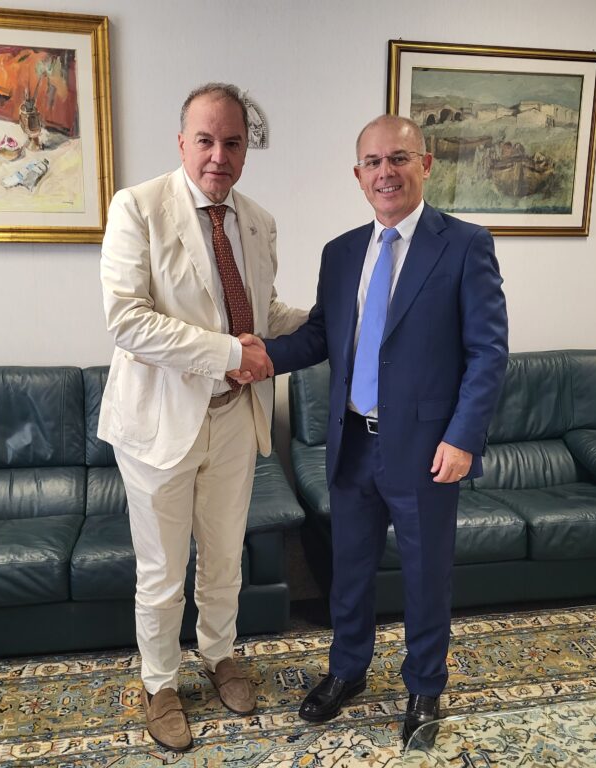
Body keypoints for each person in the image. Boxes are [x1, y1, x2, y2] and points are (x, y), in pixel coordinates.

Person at [262, 114, 508, 746]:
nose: (386, 172)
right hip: (351, 441)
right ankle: (347, 671)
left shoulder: (465, 245)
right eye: (373, 162)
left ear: (425, 164)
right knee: (349, 570)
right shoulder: (342, 252)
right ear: (358, 174)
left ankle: (424, 685)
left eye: (399, 158)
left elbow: (487, 352)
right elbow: (322, 335)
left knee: (426, 575)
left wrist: (464, 437)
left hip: (427, 449)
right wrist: (259, 357)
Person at [98, 82, 306, 752]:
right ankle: (159, 683)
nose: (220, 155)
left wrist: (333, 318)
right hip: (159, 423)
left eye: (233, 142)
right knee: (162, 570)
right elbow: (128, 320)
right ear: (182, 141)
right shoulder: (138, 207)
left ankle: (220, 655)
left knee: (223, 557)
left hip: (235, 417)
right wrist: (230, 354)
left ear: (246, 149)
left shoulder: (258, 221)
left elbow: (263, 315)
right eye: (207, 140)